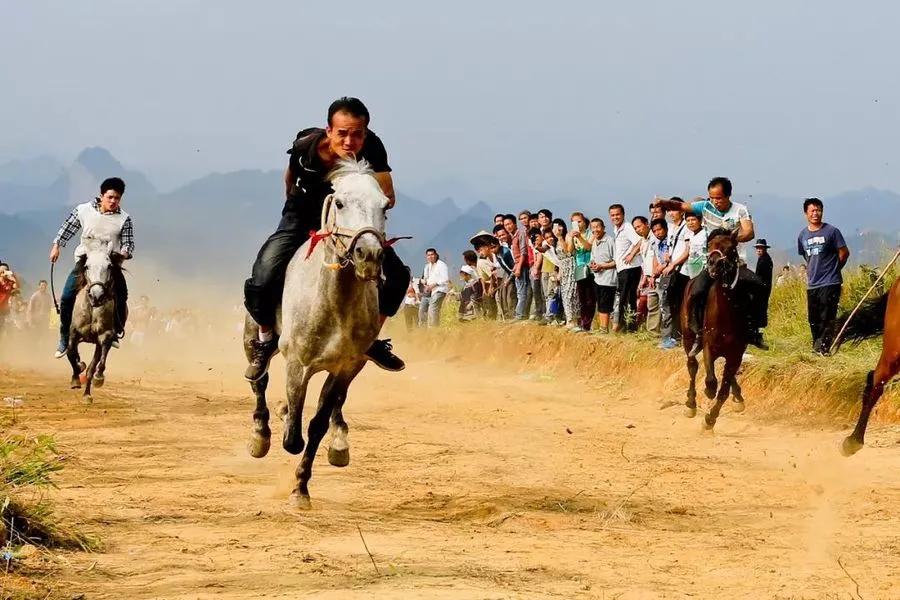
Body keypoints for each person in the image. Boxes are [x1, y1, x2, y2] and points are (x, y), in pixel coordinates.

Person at [242, 97, 410, 381]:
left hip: (349, 219)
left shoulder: (373, 149)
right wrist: (292, 210)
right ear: (329, 130)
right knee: (263, 275)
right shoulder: (305, 147)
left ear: (365, 133)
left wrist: (358, 200)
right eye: (342, 133)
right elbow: (289, 179)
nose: (349, 141)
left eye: (357, 133)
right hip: (303, 211)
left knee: (397, 278)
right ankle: (266, 338)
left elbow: (387, 197)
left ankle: (370, 340)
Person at [653, 177, 768, 356]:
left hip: (735, 264)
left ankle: (755, 332)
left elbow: (749, 232)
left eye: (719, 198)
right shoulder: (704, 207)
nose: (715, 202)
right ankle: (698, 333)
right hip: (712, 266)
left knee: (759, 286)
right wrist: (664, 202)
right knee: (695, 292)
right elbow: (682, 206)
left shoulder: (740, 210)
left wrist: (731, 240)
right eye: (712, 198)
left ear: (728, 195)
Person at [49, 177, 132, 358]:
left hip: (110, 264)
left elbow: (128, 243)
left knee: (122, 295)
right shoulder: (83, 210)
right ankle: (64, 338)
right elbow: (67, 228)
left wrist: (124, 253)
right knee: (66, 297)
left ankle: (115, 331)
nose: (113, 201)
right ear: (101, 195)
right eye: (110, 197)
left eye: (117, 198)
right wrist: (57, 246)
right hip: (85, 261)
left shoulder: (124, 219)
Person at [797, 198, 849, 354]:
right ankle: (816, 346)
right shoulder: (802, 235)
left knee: (827, 316)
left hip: (830, 281)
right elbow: (806, 256)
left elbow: (844, 253)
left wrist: (835, 268)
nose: (816, 213)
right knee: (813, 319)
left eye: (818, 210)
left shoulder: (832, 231)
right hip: (813, 283)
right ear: (806, 213)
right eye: (812, 210)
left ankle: (824, 348)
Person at [659, 205, 690, 345]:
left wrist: (674, 263)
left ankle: (679, 337)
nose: (671, 213)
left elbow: (687, 251)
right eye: (669, 210)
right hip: (673, 271)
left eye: (674, 210)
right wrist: (668, 257)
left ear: (682, 211)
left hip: (684, 271)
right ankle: (673, 336)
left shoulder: (687, 226)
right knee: (671, 304)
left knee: (681, 305)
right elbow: (671, 246)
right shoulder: (671, 227)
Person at [609, 204, 642, 332]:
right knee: (624, 298)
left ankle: (629, 328)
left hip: (631, 268)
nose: (615, 217)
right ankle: (625, 326)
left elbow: (639, 241)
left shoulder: (627, 227)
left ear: (623, 214)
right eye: (612, 215)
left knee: (628, 299)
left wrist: (631, 254)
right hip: (622, 269)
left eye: (617, 214)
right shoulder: (617, 229)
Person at [588, 218, 616, 334]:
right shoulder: (594, 241)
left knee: (605, 304)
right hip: (597, 278)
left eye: (598, 227)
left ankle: (604, 329)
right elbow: (592, 258)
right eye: (593, 227)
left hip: (608, 279)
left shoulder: (610, 241)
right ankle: (602, 328)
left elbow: (616, 261)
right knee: (600, 303)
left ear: (604, 227)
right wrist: (593, 265)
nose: (595, 230)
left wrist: (602, 266)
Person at [568, 212, 595, 332]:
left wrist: (579, 237)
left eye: (579, 221)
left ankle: (589, 324)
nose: (577, 224)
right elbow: (569, 251)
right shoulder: (572, 235)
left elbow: (589, 247)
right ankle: (584, 323)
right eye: (574, 222)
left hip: (591, 269)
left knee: (591, 298)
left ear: (585, 222)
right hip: (579, 269)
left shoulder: (591, 233)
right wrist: (570, 238)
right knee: (582, 298)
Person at [635, 216, 660, 334]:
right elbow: (645, 262)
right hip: (648, 276)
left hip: (657, 275)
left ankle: (656, 332)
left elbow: (656, 258)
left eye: (639, 226)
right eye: (635, 228)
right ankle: (650, 331)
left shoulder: (654, 237)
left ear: (646, 224)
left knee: (657, 305)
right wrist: (644, 277)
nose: (637, 230)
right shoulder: (643, 241)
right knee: (649, 305)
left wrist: (653, 275)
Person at [504, 214, 531, 320]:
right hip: (517, 265)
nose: (508, 226)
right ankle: (522, 314)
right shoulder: (513, 236)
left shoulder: (521, 234)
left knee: (522, 291)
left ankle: (520, 315)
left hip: (523, 266)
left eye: (509, 224)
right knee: (522, 291)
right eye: (506, 225)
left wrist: (519, 267)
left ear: (514, 223)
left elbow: (523, 252)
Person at [419, 248, 450, 327]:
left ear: (436, 255)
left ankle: (434, 332)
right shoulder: (427, 266)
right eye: (428, 255)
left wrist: (434, 284)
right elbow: (426, 279)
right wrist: (424, 284)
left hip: (440, 290)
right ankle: (422, 333)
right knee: (422, 311)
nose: (430, 256)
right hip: (429, 291)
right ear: (426, 257)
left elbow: (445, 279)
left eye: (432, 254)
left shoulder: (441, 264)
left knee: (432, 310)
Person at [754, 239, 774, 332]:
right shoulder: (763, 258)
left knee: (761, 309)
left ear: (765, 249)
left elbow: (760, 277)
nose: (758, 250)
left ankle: (760, 332)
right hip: (762, 288)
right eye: (757, 248)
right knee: (760, 309)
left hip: (762, 288)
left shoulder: (765, 260)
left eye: (760, 248)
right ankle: (759, 330)